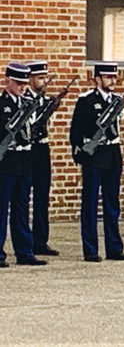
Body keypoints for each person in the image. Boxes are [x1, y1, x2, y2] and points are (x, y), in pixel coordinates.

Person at [69, 62, 124, 262]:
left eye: (114, 77)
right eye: (108, 77)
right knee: (91, 202)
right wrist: (79, 154)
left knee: (112, 202)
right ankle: (91, 249)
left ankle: (114, 248)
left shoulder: (118, 100)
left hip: (112, 153)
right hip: (94, 156)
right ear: (97, 79)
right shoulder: (86, 101)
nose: (112, 81)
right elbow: (76, 132)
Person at [0, 62, 47, 267]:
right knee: (2, 207)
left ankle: (24, 251)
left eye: (23, 83)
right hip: (7, 159)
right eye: (17, 83)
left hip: (24, 159)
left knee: (21, 207)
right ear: (7, 80)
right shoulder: (1, 104)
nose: (21, 87)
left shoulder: (29, 103)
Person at [24, 60, 60, 256]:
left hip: (42, 148)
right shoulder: (25, 98)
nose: (44, 81)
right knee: (21, 196)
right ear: (30, 79)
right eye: (40, 78)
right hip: (28, 149)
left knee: (42, 195)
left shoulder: (45, 99)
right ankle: (24, 241)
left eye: (45, 77)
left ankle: (41, 240)